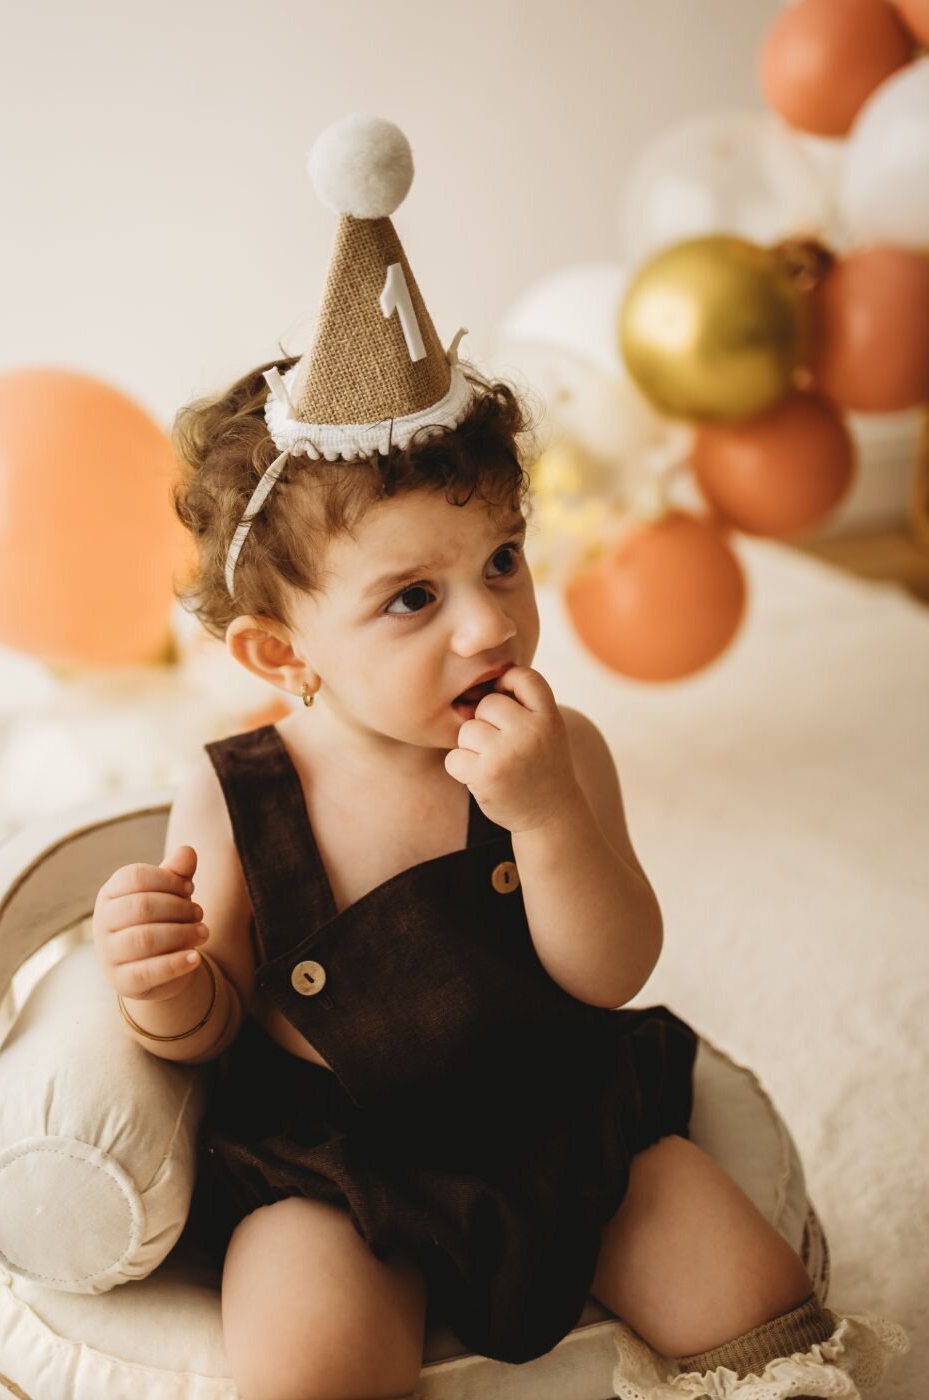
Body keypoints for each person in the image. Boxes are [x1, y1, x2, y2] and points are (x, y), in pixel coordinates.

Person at [91, 115, 909, 1400]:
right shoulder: (241, 789)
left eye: (503, 560)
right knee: (304, 1359)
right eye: (411, 598)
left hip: (559, 1115)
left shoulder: (556, 747)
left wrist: (547, 817)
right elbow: (217, 1024)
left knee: (761, 1305)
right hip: (340, 1161)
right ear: (274, 651)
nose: (490, 622)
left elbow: (611, 964)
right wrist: (162, 984)